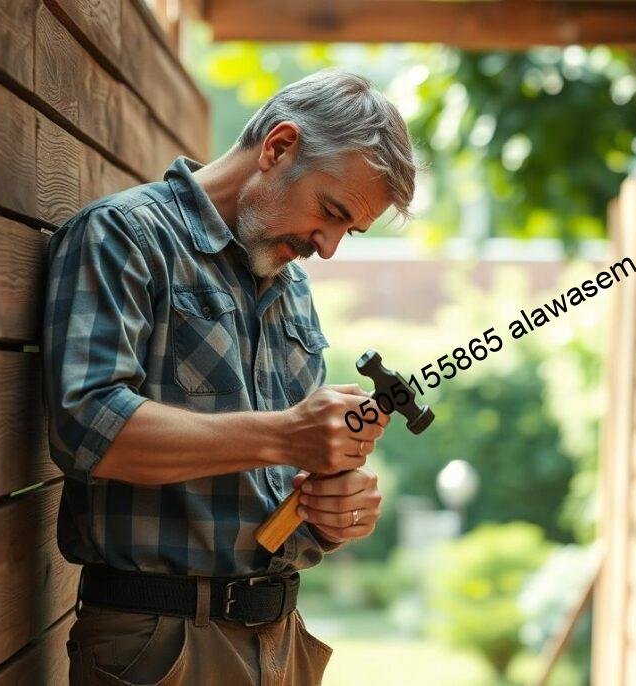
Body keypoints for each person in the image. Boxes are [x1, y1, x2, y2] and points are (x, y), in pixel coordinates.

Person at [42, 70, 416, 685]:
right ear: (278, 147)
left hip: (283, 644)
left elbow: (284, 476)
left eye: (349, 231)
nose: (328, 248)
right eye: (331, 212)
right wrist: (283, 435)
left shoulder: (291, 288)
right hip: (158, 649)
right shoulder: (125, 237)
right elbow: (87, 426)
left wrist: (337, 510)